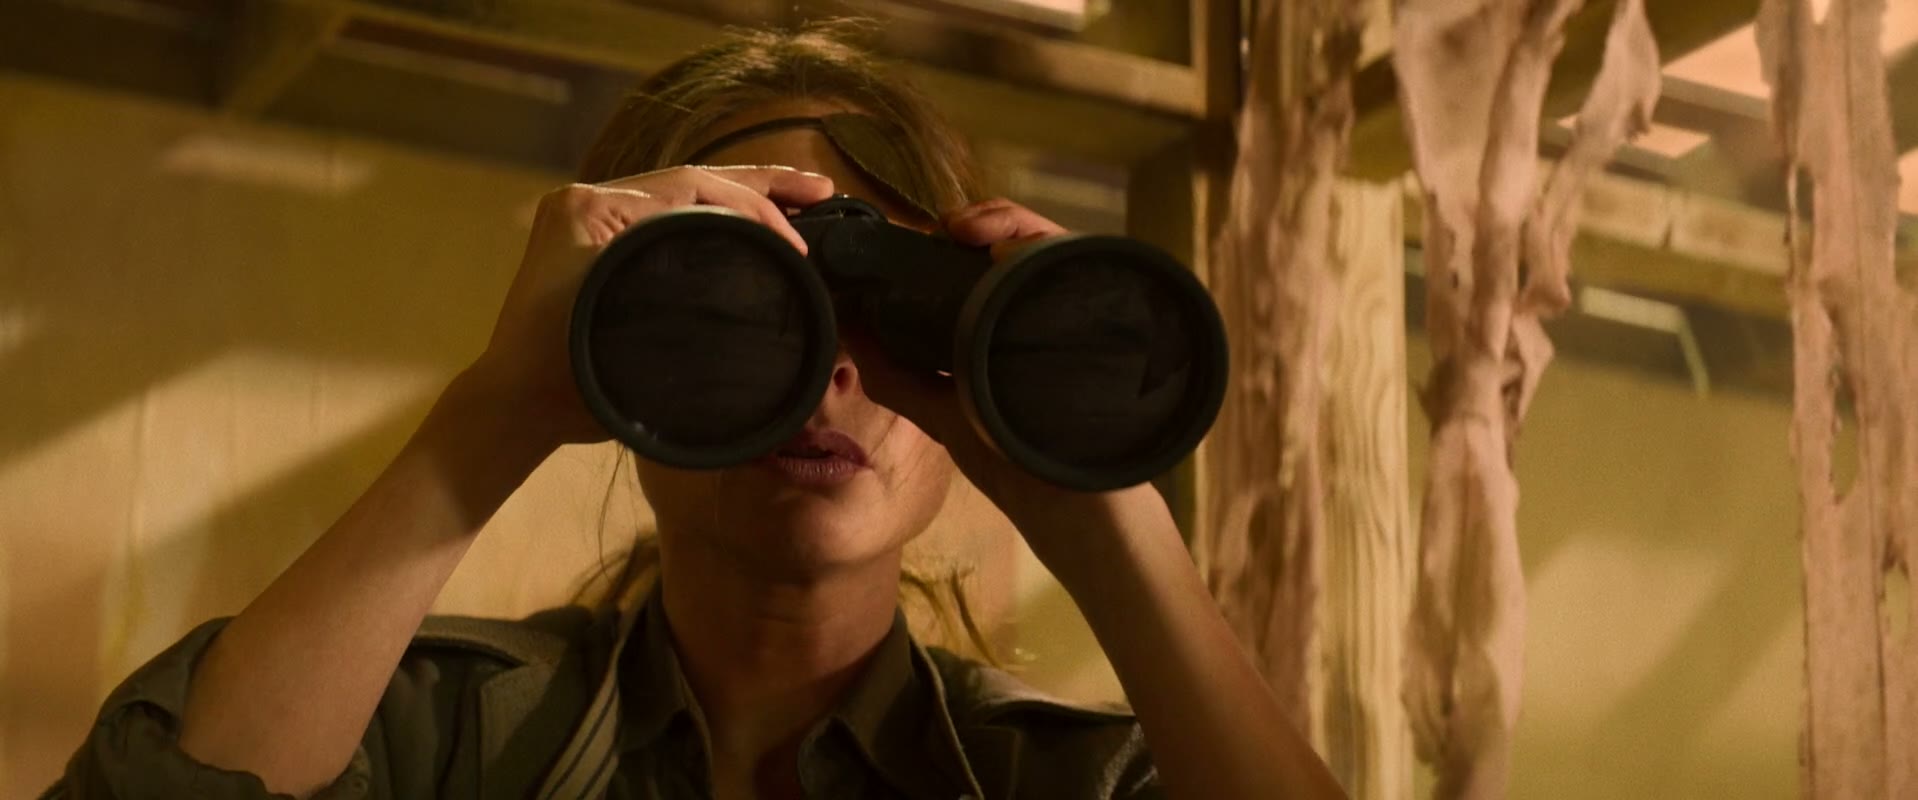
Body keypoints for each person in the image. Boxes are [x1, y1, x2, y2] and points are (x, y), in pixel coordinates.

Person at [47, 24, 1343, 800]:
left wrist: (1104, 517)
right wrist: (491, 416)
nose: (831, 373)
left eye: (902, 319)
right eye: (743, 308)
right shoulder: (431, 736)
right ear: (612, 348)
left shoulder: (1068, 783)